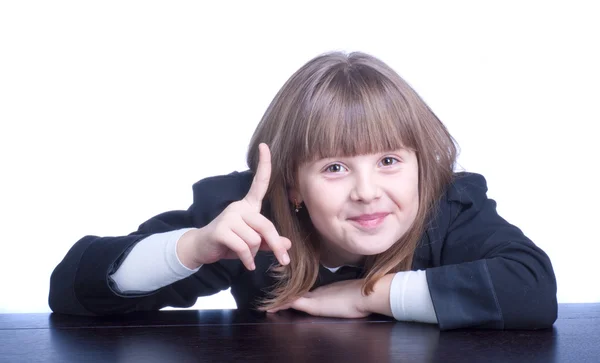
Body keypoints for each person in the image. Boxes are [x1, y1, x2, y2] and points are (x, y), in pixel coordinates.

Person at [48, 51, 557, 331]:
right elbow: (72, 288)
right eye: (335, 167)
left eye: (388, 161)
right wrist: (193, 247)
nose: (367, 192)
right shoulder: (247, 216)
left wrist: (367, 296)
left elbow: (531, 289)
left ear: (419, 164)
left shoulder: (449, 206)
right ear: (293, 182)